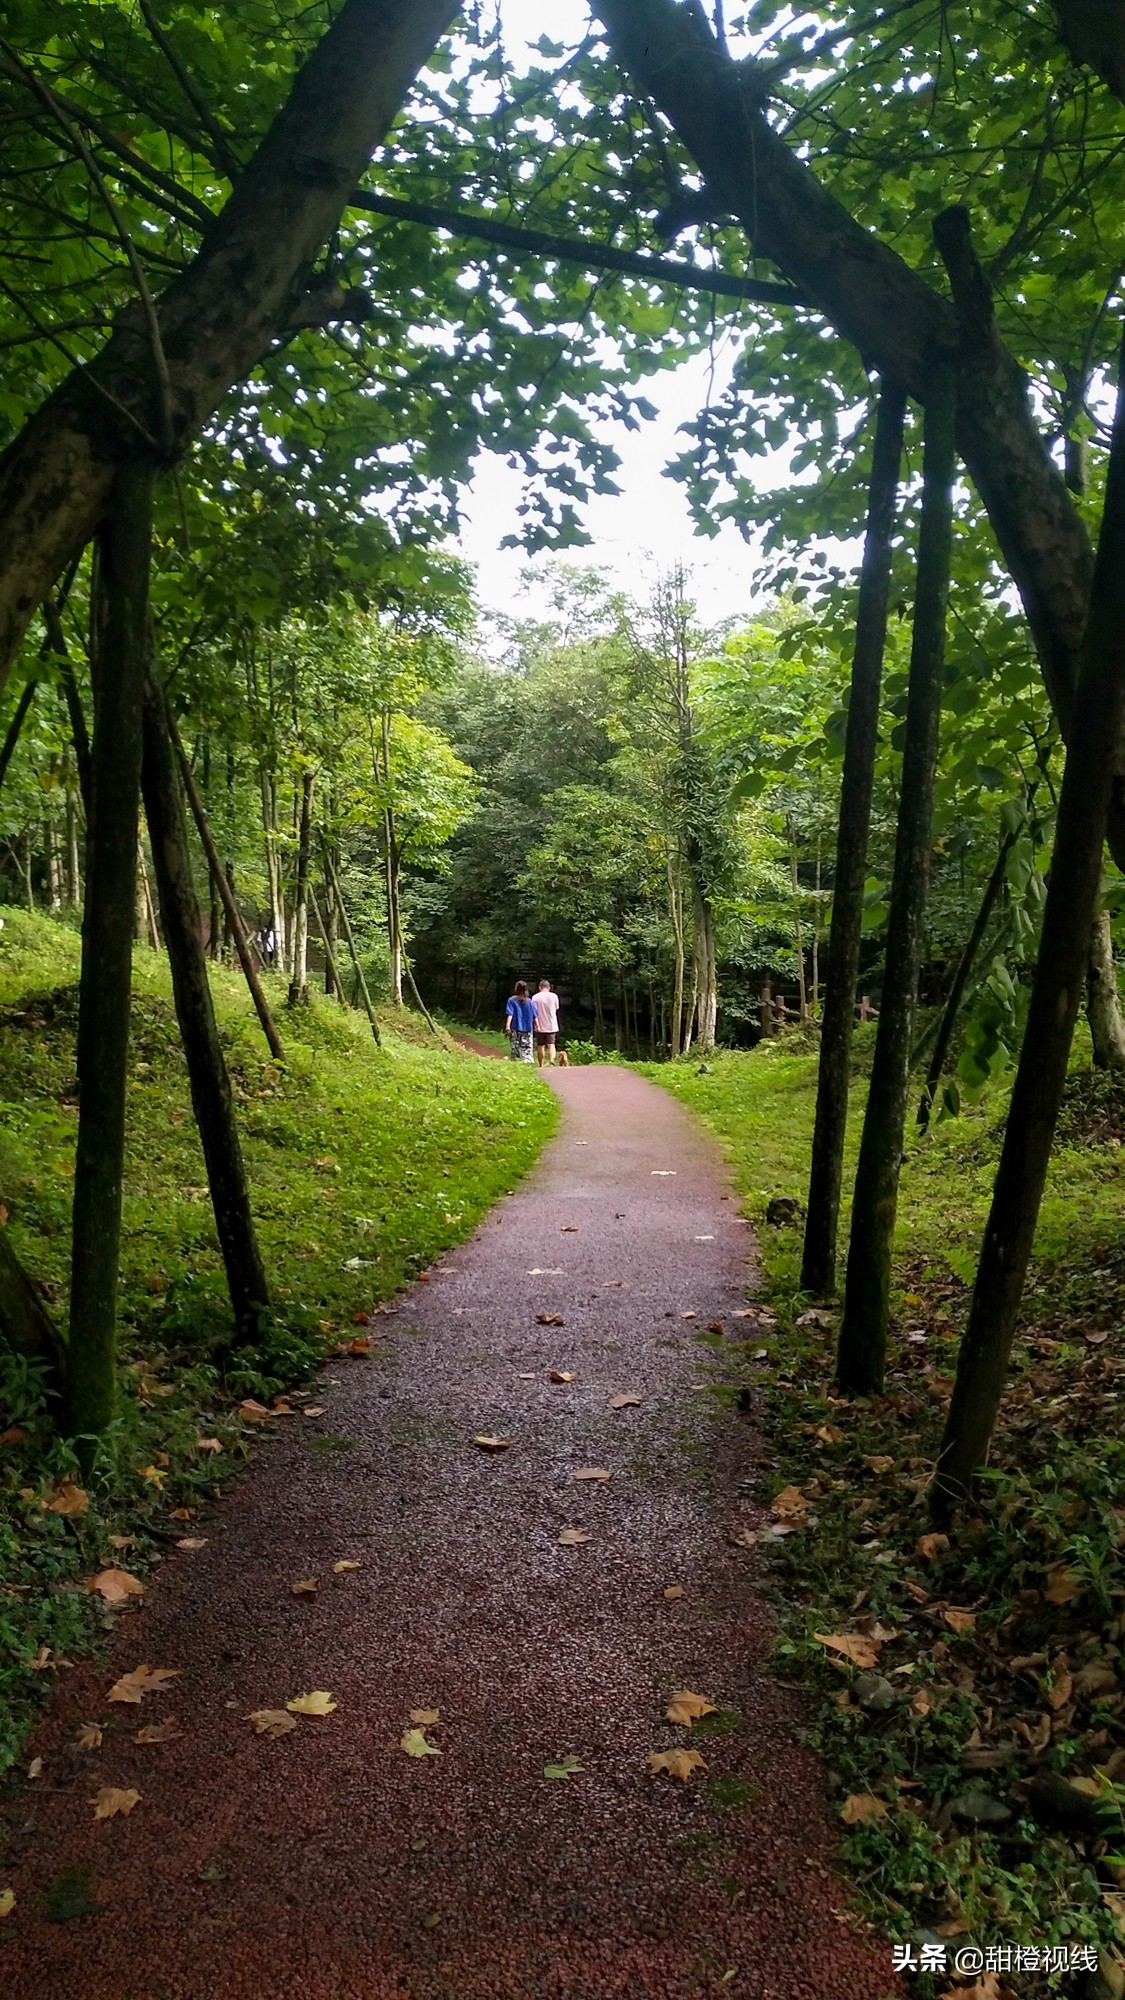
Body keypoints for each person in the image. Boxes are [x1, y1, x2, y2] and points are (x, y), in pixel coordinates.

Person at [503, 979, 536, 1063]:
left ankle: (516, 1061)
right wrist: (537, 1025)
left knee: (515, 1046)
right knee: (527, 1047)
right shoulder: (530, 1001)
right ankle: (527, 1061)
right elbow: (535, 1015)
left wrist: (507, 1025)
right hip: (528, 1028)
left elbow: (510, 1013)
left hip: (515, 1027)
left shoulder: (512, 1000)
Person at [531, 977, 560, 1066]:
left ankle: (541, 1064)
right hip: (552, 1025)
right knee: (551, 1045)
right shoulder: (554, 996)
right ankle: (551, 1061)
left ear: (540, 987)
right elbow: (556, 1008)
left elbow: (533, 1011)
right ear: (549, 987)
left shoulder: (535, 997)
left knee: (540, 1045)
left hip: (539, 1025)